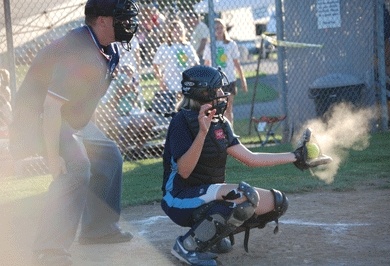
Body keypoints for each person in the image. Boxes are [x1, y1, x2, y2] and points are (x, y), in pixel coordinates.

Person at [9, 0, 140, 265]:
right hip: (38, 121)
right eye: (121, 16)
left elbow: (82, 99)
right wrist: (53, 156)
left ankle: (98, 230)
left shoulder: (106, 48)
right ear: (102, 20)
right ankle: (49, 249)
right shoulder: (79, 50)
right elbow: (50, 106)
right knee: (75, 167)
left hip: (65, 119)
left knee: (109, 156)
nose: (128, 22)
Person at [161, 65, 317, 266]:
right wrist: (202, 132)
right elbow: (184, 171)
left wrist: (296, 156)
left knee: (277, 202)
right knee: (245, 197)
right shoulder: (180, 122)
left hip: (208, 194)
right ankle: (187, 246)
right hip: (178, 199)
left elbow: (251, 158)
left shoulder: (221, 123)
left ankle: (209, 238)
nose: (222, 95)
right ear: (202, 93)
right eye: (217, 90)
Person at [204, 18, 247, 126]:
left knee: (228, 107)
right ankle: (219, 132)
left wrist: (243, 80)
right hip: (215, 82)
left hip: (229, 79)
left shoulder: (230, 44)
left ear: (224, 29)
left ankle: (230, 132)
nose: (218, 30)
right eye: (216, 28)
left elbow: (236, 63)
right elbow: (207, 63)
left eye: (220, 27)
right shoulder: (209, 45)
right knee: (216, 108)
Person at [152, 19, 199, 115]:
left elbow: (195, 63)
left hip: (185, 83)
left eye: (179, 29)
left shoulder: (187, 46)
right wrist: (161, 81)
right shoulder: (165, 47)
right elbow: (156, 64)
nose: (177, 31)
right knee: (173, 111)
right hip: (170, 84)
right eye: (175, 29)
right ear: (170, 32)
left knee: (186, 109)